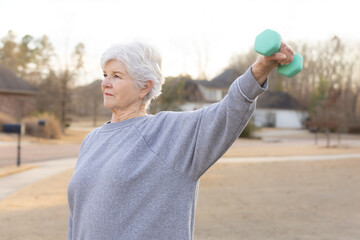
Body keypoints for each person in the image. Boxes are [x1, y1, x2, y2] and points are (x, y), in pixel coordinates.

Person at [67, 40, 294, 240]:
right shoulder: (92, 140)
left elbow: (226, 112)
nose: (106, 83)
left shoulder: (167, 132)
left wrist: (261, 69)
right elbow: (78, 220)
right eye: (105, 75)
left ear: (144, 87)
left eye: (116, 76)